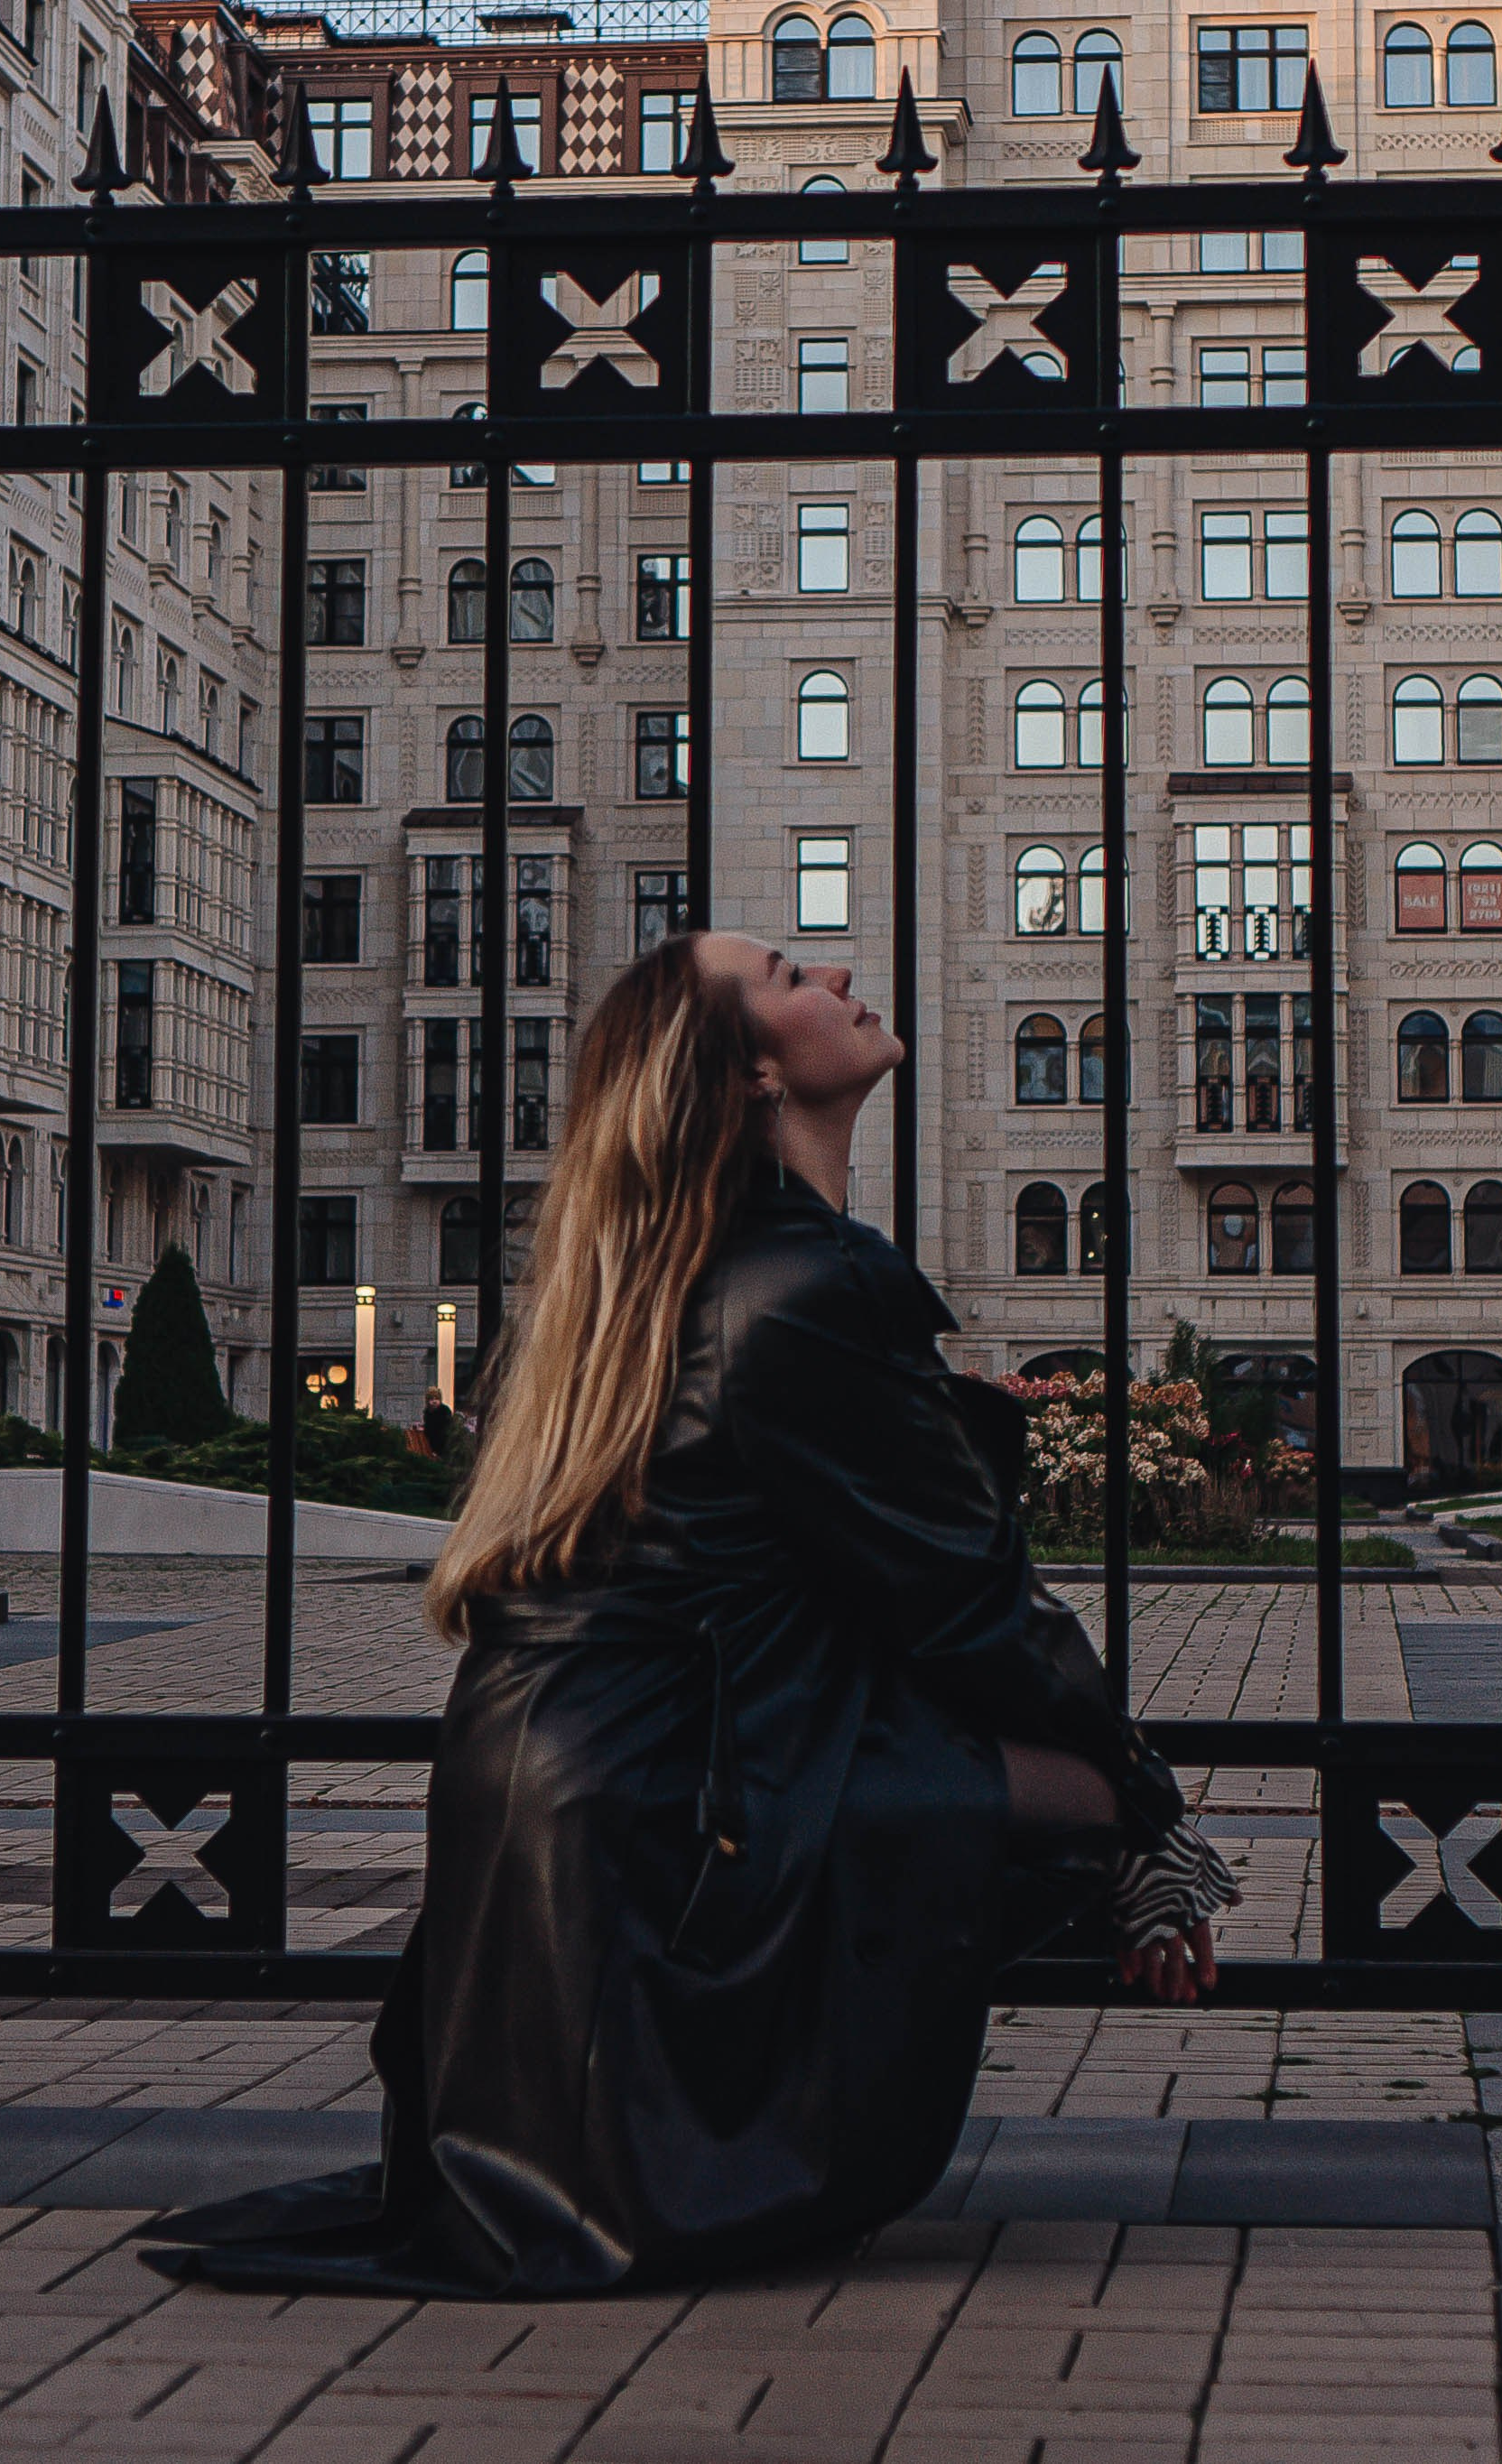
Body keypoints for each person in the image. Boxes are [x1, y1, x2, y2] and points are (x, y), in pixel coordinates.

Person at [145, 934, 1234, 2299]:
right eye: (789, 976)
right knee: (1085, 1792)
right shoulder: (799, 1285)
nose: (837, 975)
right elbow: (968, 1603)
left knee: (1063, 1794)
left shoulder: (654, 1281)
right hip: (671, 1797)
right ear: (755, 1074)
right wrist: (1150, 1801)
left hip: (573, 1797)